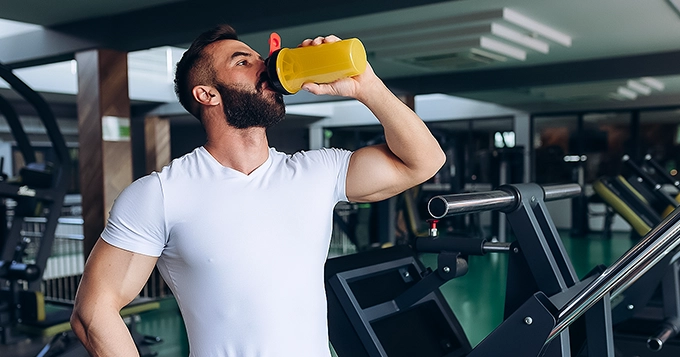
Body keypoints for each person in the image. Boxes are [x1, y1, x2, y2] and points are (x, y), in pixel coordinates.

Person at [70, 24, 446, 357]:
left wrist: (366, 85)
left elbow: (423, 161)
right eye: (242, 62)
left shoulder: (317, 172)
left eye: (258, 57)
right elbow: (93, 313)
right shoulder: (161, 194)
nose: (264, 65)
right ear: (207, 94)